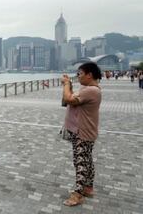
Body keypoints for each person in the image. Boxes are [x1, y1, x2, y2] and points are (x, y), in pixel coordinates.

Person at [61, 62, 102, 207]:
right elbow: (71, 99)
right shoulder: (89, 89)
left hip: (82, 132)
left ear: (89, 75)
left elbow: (68, 99)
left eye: (80, 73)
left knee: (80, 162)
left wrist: (66, 84)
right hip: (84, 130)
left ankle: (78, 194)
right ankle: (88, 188)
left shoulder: (91, 90)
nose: (78, 76)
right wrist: (69, 87)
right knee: (86, 160)